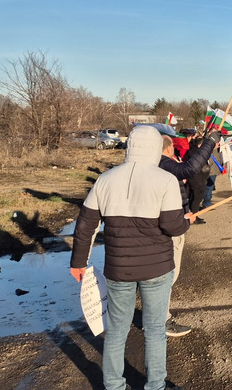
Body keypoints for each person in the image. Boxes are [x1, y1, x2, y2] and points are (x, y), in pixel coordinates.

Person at [69, 125, 192, 390]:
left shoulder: (105, 179)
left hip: (118, 268)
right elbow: (173, 227)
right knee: (156, 329)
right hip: (157, 268)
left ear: (130, 146)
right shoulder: (166, 179)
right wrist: (187, 222)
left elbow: (85, 225)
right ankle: (155, 385)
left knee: (116, 329)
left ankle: (113, 385)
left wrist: (78, 262)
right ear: (155, 149)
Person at [158, 131, 219, 337]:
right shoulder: (163, 164)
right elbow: (190, 168)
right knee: (167, 276)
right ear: (167, 149)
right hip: (171, 228)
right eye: (172, 150)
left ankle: (155, 316)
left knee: (159, 277)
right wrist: (210, 142)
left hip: (160, 225)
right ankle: (162, 320)